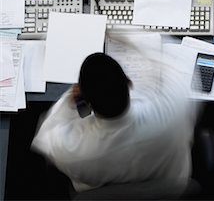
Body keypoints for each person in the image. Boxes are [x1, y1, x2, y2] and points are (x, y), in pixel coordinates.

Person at [31, 51, 197, 195]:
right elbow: (175, 70)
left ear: (86, 102)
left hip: (102, 192)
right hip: (169, 190)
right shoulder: (173, 110)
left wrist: (69, 100)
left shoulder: (71, 150)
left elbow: (45, 134)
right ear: (129, 83)